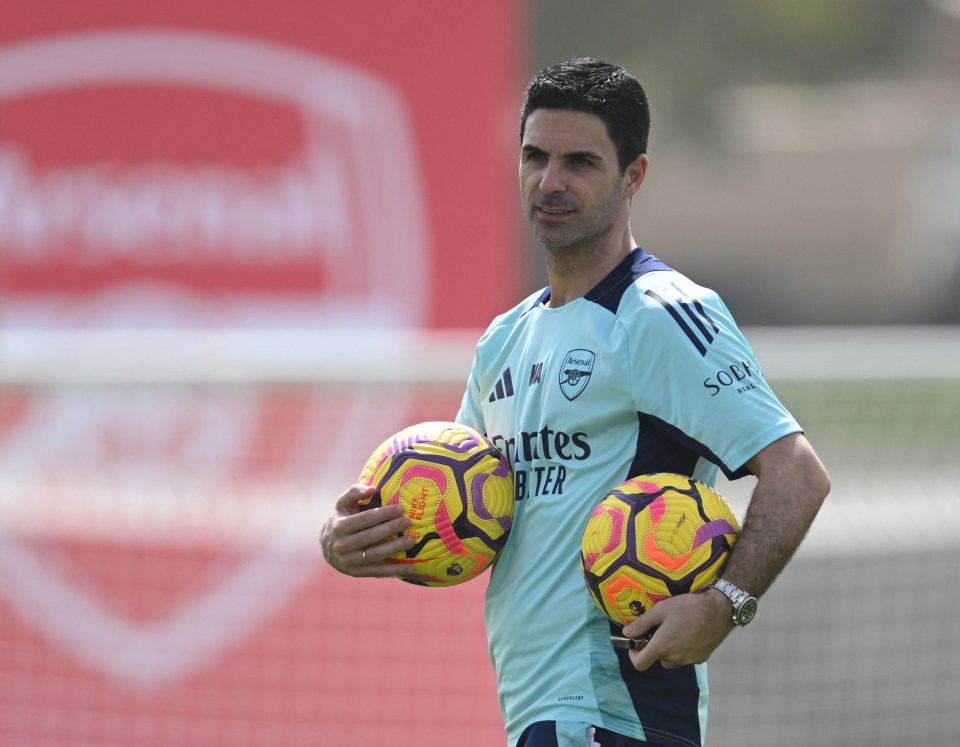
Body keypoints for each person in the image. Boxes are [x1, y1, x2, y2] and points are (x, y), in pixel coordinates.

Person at [320, 57, 831, 747]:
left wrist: (724, 603)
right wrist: (355, 536)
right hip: (538, 713)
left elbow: (797, 472)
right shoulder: (503, 340)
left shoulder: (658, 313)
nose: (550, 182)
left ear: (633, 177)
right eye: (535, 156)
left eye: (580, 162)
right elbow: (464, 520)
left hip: (614, 709)